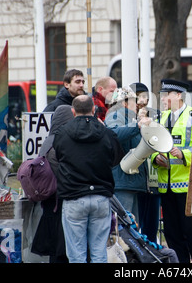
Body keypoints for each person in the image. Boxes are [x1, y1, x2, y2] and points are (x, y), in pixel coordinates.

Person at [52, 95, 124, 263]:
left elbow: (58, 156)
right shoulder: (106, 133)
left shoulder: (62, 133)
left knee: (77, 255)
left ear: (72, 111)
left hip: (74, 197)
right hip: (100, 196)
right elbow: (116, 158)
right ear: (94, 110)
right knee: (99, 253)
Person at [151, 79, 192, 263]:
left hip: (188, 187)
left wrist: (184, 154)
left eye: (166, 95)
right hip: (166, 188)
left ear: (178, 95)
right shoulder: (159, 119)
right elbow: (150, 148)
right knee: (172, 234)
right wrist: (155, 158)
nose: (162, 99)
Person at [32, 105, 74, 263]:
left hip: (50, 201)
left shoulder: (49, 140)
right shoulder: (60, 142)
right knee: (60, 248)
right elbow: (62, 172)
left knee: (55, 247)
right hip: (59, 202)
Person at [105, 86, 152, 222]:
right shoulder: (116, 115)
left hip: (129, 182)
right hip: (123, 183)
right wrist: (137, 125)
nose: (137, 104)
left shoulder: (127, 118)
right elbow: (114, 134)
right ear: (125, 103)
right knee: (125, 226)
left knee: (132, 226)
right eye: (134, 101)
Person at [129, 82, 161, 243]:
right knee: (135, 223)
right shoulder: (127, 117)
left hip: (154, 180)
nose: (142, 101)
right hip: (136, 179)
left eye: (145, 97)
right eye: (138, 97)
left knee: (151, 225)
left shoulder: (157, 115)